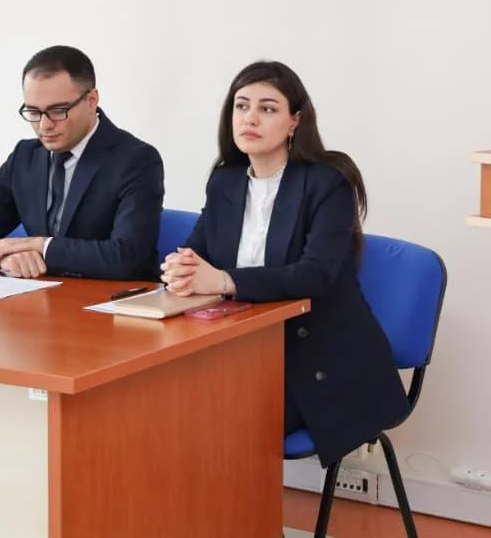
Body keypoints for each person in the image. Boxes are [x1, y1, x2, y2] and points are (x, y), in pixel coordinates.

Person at [160, 61, 408, 466]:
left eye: (268, 108)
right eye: (242, 106)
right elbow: (196, 251)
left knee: (219, 417)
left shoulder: (328, 181)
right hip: (244, 345)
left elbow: (316, 275)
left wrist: (223, 281)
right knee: (159, 400)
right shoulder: (226, 180)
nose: (250, 118)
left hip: (319, 357)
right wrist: (180, 268)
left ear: (295, 121)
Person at [0, 46, 164, 281]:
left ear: (91, 100)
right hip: (40, 294)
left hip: (114, 298)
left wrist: (42, 247)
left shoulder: (136, 160)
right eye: (33, 112)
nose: (44, 125)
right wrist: (3, 258)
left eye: (58, 111)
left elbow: (125, 257)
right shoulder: (25, 157)